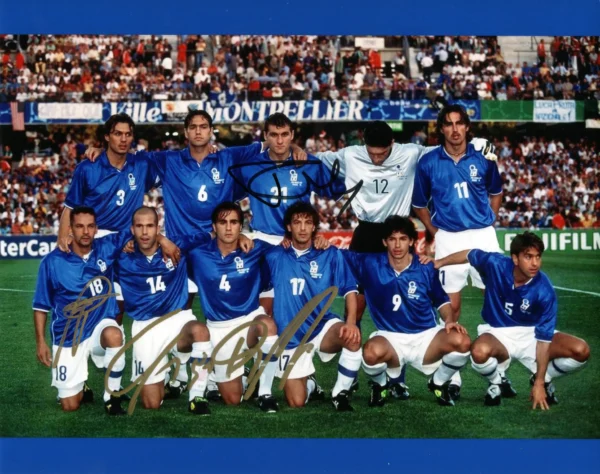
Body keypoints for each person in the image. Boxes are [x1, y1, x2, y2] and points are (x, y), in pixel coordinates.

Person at [313, 119, 497, 397]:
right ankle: (349, 379)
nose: (376, 159)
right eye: (371, 153)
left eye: (382, 153)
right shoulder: (349, 154)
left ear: (392, 145)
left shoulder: (412, 152)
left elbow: (446, 148)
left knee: (411, 302)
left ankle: (402, 377)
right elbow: (310, 158)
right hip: (366, 233)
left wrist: (477, 145)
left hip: (398, 231)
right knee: (357, 308)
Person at [84, 110, 256, 400]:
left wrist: (297, 149)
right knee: (181, 311)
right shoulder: (169, 160)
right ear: (185, 133)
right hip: (181, 247)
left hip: (219, 247)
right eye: (193, 127)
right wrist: (102, 149)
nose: (199, 132)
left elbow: (267, 149)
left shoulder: (228, 158)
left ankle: (227, 367)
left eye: (204, 127)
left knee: (224, 307)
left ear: (211, 130)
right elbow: (130, 156)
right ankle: (176, 373)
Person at [434, 232, 590, 408]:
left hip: (531, 335)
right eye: (528, 257)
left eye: (538, 257)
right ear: (515, 259)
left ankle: (545, 379)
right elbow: (469, 254)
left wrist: (540, 382)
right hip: (498, 334)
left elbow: (544, 340)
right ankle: (495, 382)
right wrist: (439, 262)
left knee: (581, 350)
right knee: (479, 352)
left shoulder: (544, 289)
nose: (535, 263)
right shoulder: (496, 264)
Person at [411, 105, 503, 397]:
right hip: (448, 237)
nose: (454, 129)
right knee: (452, 307)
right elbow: (419, 204)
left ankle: (498, 374)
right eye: (448, 124)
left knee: (497, 301)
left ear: (466, 127)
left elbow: (496, 193)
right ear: (441, 129)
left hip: (484, 236)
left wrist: (488, 222)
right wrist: (436, 231)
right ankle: (452, 375)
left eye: (459, 123)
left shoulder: (484, 158)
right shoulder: (428, 162)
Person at [344, 216, 471, 407]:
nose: (397, 245)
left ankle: (438, 382)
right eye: (392, 239)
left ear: (411, 241)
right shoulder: (369, 263)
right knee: (370, 353)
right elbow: (334, 255)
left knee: (462, 342)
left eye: (403, 239)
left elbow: (441, 300)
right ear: (384, 242)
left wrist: (449, 320)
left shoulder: (425, 267)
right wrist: (318, 242)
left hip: (426, 336)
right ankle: (380, 385)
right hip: (390, 337)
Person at [233, 113, 346, 317]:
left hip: (299, 244)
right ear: (265, 136)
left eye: (285, 134)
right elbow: (227, 201)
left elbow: (338, 190)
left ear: (292, 135)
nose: (279, 140)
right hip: (263, 241)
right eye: (274, 135)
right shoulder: (249, 167)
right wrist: (239, 233)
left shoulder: (308, 164)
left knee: (301, 307)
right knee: (264, 309)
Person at [59, 114, 161, 326]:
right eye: (117, 134)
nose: (123, 139)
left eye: (128, 134)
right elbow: (70, 208)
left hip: (127, 241)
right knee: (90, 302)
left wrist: (209, 150)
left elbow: (178, 162)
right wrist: (63, 239)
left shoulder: (141, 164)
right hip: (96, 241)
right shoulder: (87, 168)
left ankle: (114, 345)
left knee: (122, 302)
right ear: (106, 137)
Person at [115, 207, 214, 414]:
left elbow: (213, 233)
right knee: (151, 403)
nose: (144, 232)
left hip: (177, 319)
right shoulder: (122, 257)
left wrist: (241, 235)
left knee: (200, 331)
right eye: (139, 227)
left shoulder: (177, 246)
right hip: (145, 326)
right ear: (132, 229)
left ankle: (197, 395)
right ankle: (167, 371)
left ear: (157, 228)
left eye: (150, 226)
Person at [33, 206, 131, 415]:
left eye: (90, 226)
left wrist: (163, 240)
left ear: (96, 229)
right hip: (69, 335)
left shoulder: (107, 247)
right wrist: (41, 342)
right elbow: (41, 306)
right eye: (79, 226)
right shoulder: (52, 262)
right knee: (70, 405)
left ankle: (112, 397)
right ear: (70, 229)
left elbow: (140, 228)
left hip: (99, 328)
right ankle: (80, 384)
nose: (85, 232)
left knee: (115, 335)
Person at [264, 202, 361, 412]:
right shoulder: (274, 256)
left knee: (352, 337)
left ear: (314, 227)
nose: (302, 228)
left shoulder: (329, 254)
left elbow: (350, 289)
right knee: (296, 402)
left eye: (308, 223)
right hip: (291, 336)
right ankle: (311, 385)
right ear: (288, 227)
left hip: (321, 327)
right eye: (297, 223)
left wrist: (352, 323)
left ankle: (340, 393)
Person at [187, 202, 280, 413]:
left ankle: (265, 393)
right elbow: (174, 246)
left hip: (249, 320)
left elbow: (290, 247)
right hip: (218, 328)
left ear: (241, 226)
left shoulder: (255, 249)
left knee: (267, 325)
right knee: (233, 399)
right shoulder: (197, 255)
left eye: (234, 222)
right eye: (223, 222)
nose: (228, 228)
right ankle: (235, 375)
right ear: (214, 226)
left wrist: (318, 240)